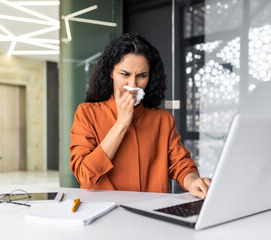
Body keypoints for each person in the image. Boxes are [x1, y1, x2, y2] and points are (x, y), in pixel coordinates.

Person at [70, 33, 211, 199]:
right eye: (125, 74)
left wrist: (192, 181)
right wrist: (121, 123)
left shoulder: (163, 120)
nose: (133, 84)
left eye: (142, 76)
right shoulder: (87, 114)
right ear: (110, 72)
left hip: (152, 213)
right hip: (105, 212)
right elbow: (84, 174)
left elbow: (180, 164)